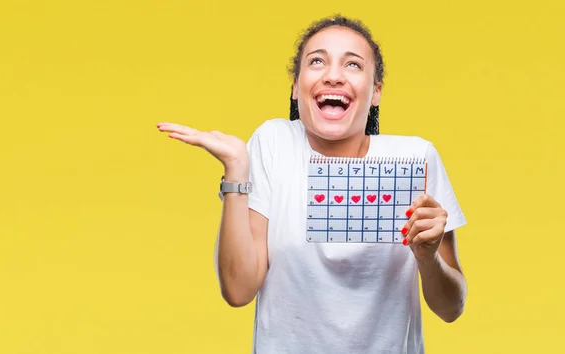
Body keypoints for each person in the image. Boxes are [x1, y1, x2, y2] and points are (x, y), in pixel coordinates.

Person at [157, 14, 467, 354]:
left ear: (375, 91)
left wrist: (428, 257)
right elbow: (238, 291)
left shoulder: (416, 158)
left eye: (352, 65)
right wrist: (235, 171)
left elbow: (451, 308)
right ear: (295, 84)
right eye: (317, 61)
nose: (333, 76)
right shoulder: (272, 142)